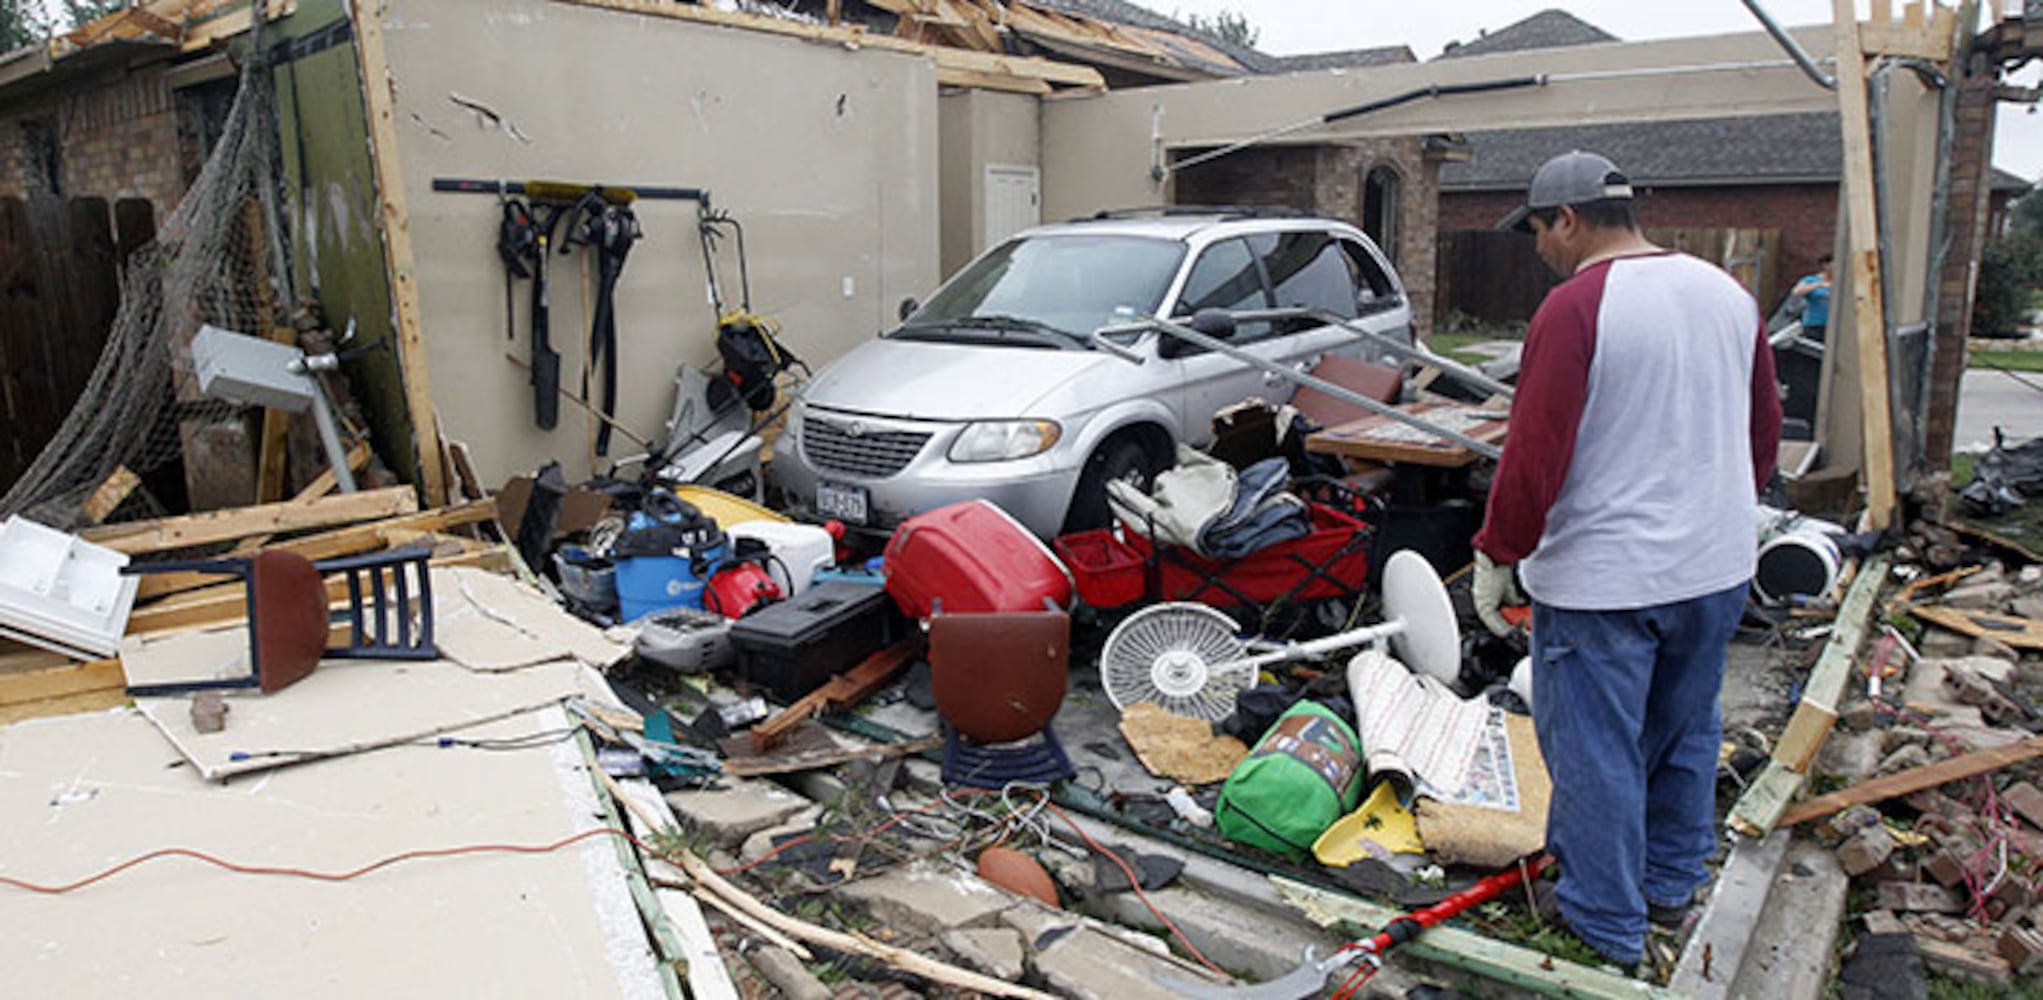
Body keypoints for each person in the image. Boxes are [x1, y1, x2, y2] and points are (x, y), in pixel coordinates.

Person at [1473, 151, 1782, 970]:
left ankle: (1601, 923)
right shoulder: (1727, 293)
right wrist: (1714, 518)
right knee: (1684, 731)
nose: (1538, 247)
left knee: (1596, 750)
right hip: (1714, 569)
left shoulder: (1575, 306)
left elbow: (1533, 454)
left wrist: (1499, 550)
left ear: (1567, 220)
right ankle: (1669, 884)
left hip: (1604, 580)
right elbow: (1762, 434)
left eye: (1538, 230)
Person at [1790, 254, 1833, 340]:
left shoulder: (1841, 282)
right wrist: (1819, 284)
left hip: (1833, 325)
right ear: (1825, 265)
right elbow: (1796, 292)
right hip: (1814, 324)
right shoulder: (1811, 280)